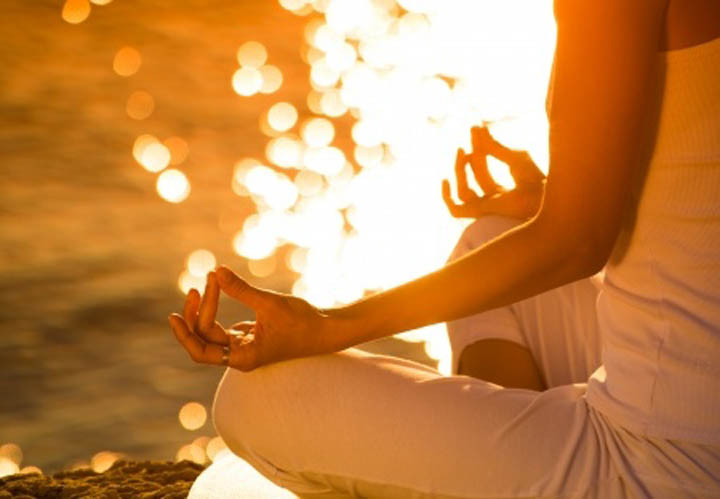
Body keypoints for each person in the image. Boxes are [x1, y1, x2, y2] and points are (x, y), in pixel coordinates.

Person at [169, 0, 720, 496]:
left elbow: (575, 243)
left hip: (666, 462)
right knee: (489, 236)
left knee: (254, 401)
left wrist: (327, 324)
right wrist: (555, 199)